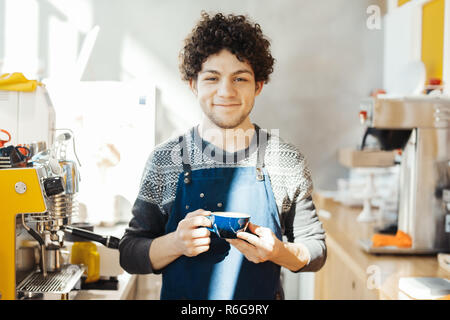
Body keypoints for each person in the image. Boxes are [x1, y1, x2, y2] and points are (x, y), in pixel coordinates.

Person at [119, 12, 326, 300]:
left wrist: (278, 251)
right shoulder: (166, 160)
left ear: (258, 85)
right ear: (193, 84)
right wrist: (177, 243)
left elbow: (315, 250)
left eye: (240, 78)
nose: (225, 91)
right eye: (212, 78)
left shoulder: (285, 160)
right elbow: (130, 253)